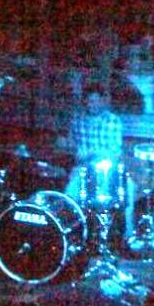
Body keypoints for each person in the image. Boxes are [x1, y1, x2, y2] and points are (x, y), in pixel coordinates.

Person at [59, 82, 134, 249]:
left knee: (129, 189)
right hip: (82, 169)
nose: (91, 105)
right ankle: (72, 240)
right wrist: (66, 145)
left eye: (95, 101)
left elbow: (114, 152)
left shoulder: (113, 121)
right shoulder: (77, 120)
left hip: (108, 170)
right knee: (68, 197)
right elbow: (70, 145)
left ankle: (128, 236)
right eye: (88, 101)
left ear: (102, 101)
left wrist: (90, 153)